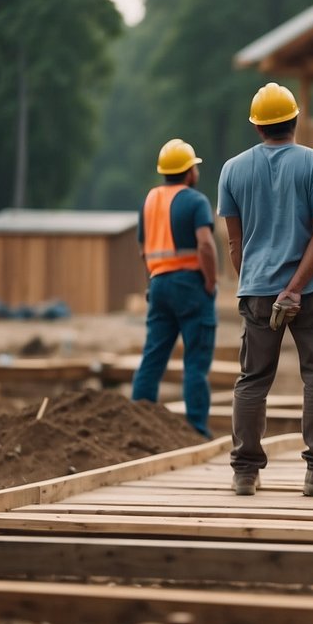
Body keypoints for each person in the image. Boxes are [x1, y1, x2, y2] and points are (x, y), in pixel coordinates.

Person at [218, 82, 313, 498]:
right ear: (295, 120)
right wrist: (294, 288)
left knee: (252, 378)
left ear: (258, 127)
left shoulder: (232, 169)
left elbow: (235, 244)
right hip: (311, 291)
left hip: (255, 290)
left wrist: (257, 282)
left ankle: (244, 472)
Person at [131, 138, 218, 438]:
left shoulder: (150, 200)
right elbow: (205, 244)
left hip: (159, 285)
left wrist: (151, 284)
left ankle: (137, 424)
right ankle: (196, 429)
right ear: (189, 172)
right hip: (190, 284)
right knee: (195, 360)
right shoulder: (195, 201)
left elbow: (145, 250)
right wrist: (210, 280)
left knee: (153, 356)